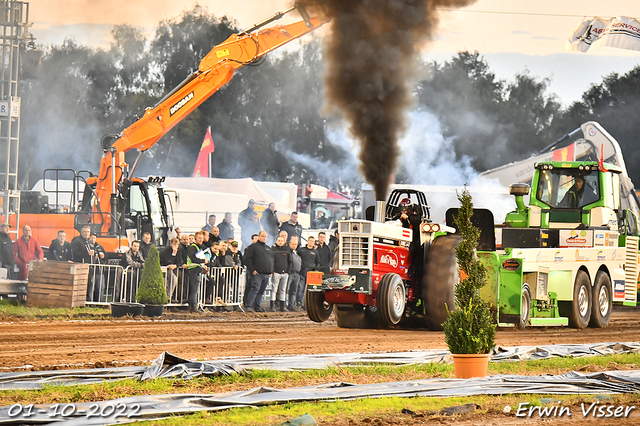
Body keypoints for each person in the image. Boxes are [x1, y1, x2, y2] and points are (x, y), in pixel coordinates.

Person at [243, 230, 273, 312]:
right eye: (262, 236)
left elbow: (271, 260)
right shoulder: (253, 247)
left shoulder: (268, 248)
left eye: (265, 236)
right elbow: (247, 259)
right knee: (255, 289)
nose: (264, 238)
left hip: (266, 274)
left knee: (261, 291)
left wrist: (271, 270)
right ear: (259, 237)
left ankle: (257, 307)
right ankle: (248, 305)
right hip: (257, 274)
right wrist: (252, 270)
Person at [186, 231, 208, 313]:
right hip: (193, 270)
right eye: (199, 238)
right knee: (194, 290)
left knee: (195, 290)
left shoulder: (198, 247)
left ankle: (194, 306)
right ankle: (194, 307)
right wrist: (203, 261)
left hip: (196, 269)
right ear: (195, 238)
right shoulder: (193, 247)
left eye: (202, 238)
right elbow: (194, 259)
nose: (201, 240)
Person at [297, 235, 319, 309]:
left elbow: (317, 263)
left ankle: (307, 304)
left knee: (309, 290)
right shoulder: (301, 250)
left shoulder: (315, 252)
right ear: (307, 241)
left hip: (311, 274)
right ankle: (299, 303)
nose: (311, 242)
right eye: (310, 241)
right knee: (301, 289)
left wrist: (315, 271)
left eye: (313, 241)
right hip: (302, 272)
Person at [271, 235, 292, 312]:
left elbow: (290, 261)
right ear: (276, 241)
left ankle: (282, 307)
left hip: (285, 274)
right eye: (279, 240)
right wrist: (273, 271)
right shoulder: (273, 250)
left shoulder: (287, 250)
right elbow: (271, 261)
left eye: (281, 241)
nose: (280, 242)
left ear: (284, 242)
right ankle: (272, 306)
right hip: (276, 273)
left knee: (283, 290)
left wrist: (288, 272)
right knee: (274, 290)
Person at [160, 238, 181, 302]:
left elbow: (180, 261)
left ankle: (169, 296)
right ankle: (165, 297)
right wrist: (173, 254)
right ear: (170, 244)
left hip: (170, 270)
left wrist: (176, 265)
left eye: (177, 245)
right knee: (165, 282)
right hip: (163, 269)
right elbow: (168, 261)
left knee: (174, 279)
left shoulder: (178, 250)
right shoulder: (165, 250)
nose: (175, 246)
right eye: (174, 244)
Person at [287, 237, 302, 311]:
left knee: (294, 291)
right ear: (289, 244)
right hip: (290, 273)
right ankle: (284, 305)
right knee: (287, 289)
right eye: (292, 244)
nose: (294, 245)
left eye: (295, 244)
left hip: (297, 274)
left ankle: (291, 305)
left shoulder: (297, 253)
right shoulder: (288, 252)